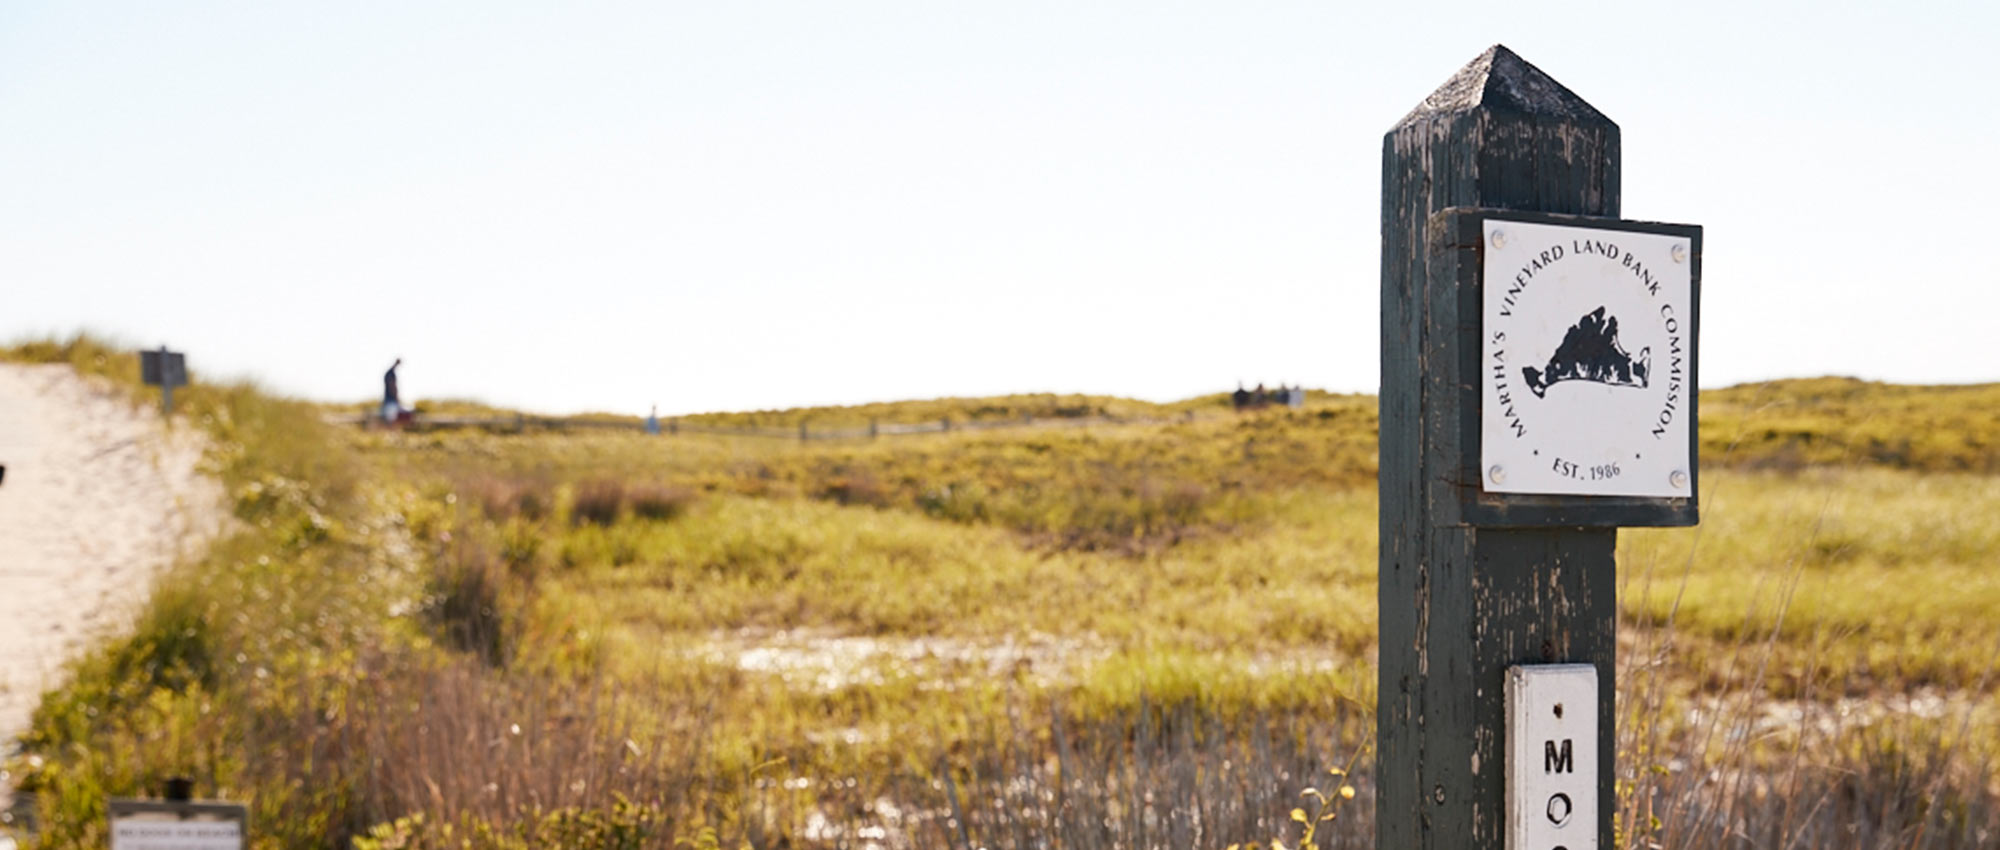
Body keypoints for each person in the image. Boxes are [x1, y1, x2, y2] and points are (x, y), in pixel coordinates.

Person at [382, 358, 402, 424]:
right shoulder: (390, 374)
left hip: (390, 402)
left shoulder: (390, 373)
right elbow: (392, 387)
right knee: (391, 422)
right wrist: (396, 397)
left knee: (391, 421)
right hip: (390, 402)